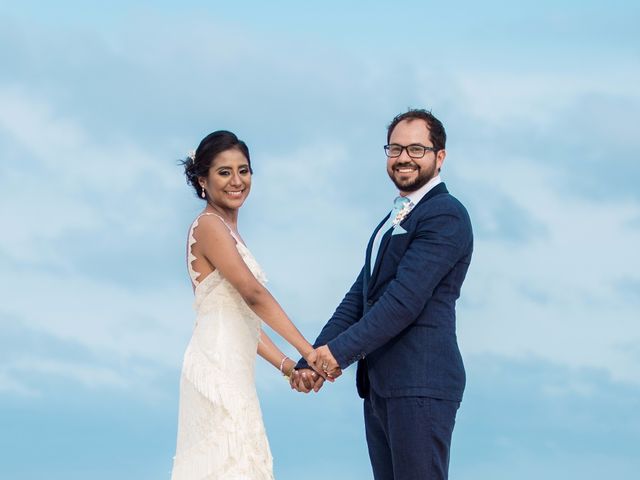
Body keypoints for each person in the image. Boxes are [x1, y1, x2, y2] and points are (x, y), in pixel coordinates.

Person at [292, 109, 473, 479]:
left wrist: (337, 354)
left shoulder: (445, 215)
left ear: (440, 157)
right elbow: (359, 298)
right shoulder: (393, 221)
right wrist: (312, 358)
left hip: (420, 382)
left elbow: (402, 303)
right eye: (395, 148)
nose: (403, 157)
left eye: (416, 149)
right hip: (383, 385)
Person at [171, 130, 321, 480]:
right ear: (202, 180)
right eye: (224, 172)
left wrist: (289, 366)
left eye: (244, 170)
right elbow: (254, 296)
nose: (237, 181)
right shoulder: (208, 226)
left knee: (243, 461)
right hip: (216, 366)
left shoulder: (229, 230)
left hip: (234, 368)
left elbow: (242, 319)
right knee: (226, 464)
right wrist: (310, 353)